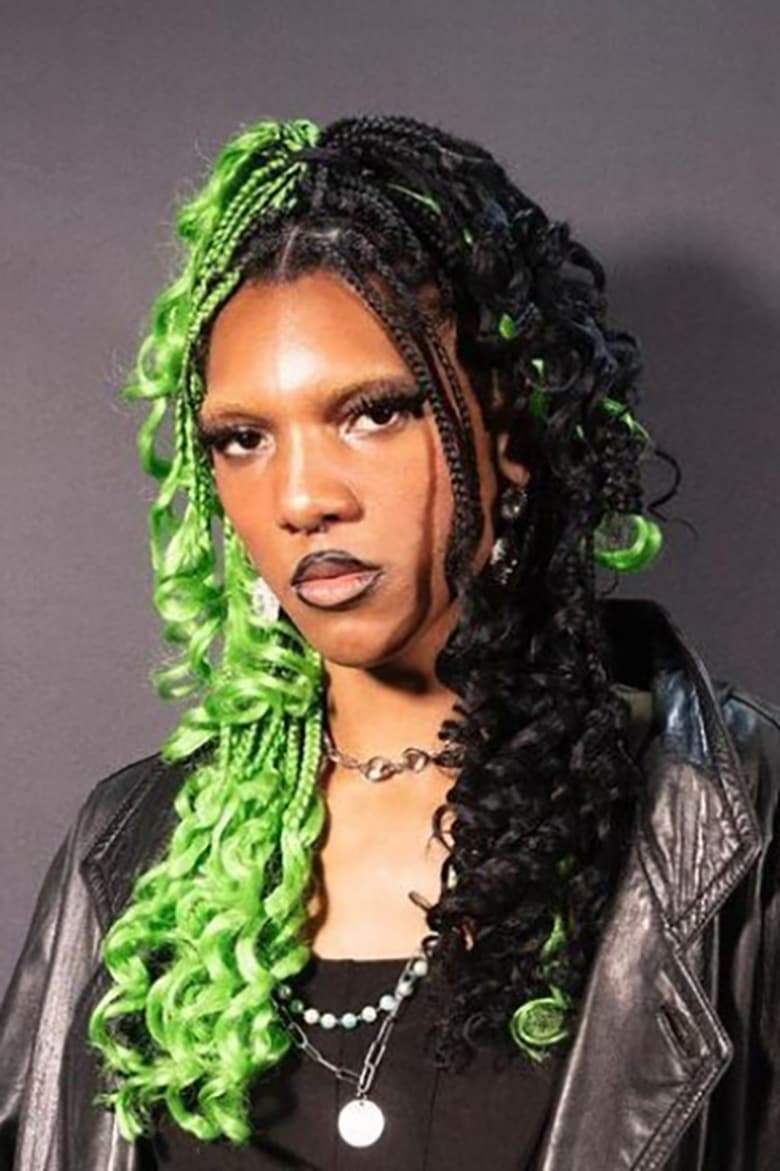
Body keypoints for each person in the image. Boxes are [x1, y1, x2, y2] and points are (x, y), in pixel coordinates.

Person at [0, 113, 778, 1171]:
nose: (303, 497)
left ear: (509, 431)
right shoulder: (132, 852)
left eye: (372, 412)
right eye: (244, 438)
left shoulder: (722, 827)